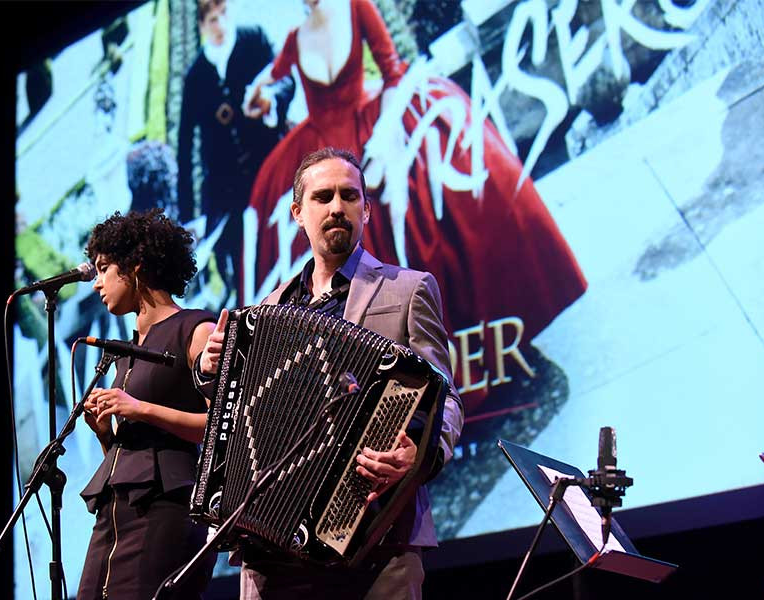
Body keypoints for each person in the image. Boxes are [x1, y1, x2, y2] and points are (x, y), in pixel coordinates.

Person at [242, 0, 587, 414]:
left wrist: (384, 142)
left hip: (372, 127)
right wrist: (257, 98)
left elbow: (392, 71)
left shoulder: (356, 8)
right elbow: (270, 81)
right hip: (325, 149)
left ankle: (465, 356)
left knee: (425, 217)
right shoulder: (296, 40)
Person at [197, 148, 463, 599]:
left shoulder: (408, 288)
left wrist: (419, 453)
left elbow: (447, 399)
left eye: (349, 196)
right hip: (270, 549)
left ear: (367, 210)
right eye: (323, 197)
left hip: (378, 540)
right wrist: (212, 374)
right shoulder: (265, 310)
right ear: (298, 213)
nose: (337, 207)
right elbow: (237, 414)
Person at [77, 208, 216, 600]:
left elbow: (226, 424)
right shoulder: (126, 352)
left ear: (136, 268)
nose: (96, 283)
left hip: (166, 509)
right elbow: (133, 457)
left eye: (105, 268)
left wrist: (140, 409)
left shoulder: (195, 328)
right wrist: (106, 434)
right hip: (115, 512)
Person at [177, 0, 295, 301]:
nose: (219, 26)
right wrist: (188, 218)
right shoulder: (195, 78)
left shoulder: (253, 39)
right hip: (227, 191)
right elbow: (185, 147)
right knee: (246, 269)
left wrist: (271, 100)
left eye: (223, 15)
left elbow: (286, 80)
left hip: (271, 165)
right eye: (211, 20)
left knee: (289, 244)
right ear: (201, 26)